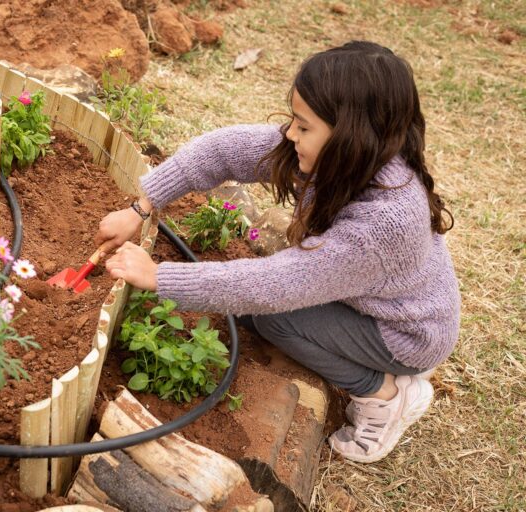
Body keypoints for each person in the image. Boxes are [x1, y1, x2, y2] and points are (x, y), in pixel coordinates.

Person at [94, 41, 460, 463]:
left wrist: (160, 277)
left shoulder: (382, 225)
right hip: (380, 300)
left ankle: (384, 393)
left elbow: (274, 286)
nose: (290, 134)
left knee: (272, 318)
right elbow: (223, 150)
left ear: (348, 135)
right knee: (260, 309)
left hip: (407, 334)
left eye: (303, 127)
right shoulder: (353, 156)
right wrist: (142, 206)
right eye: (293, 121)